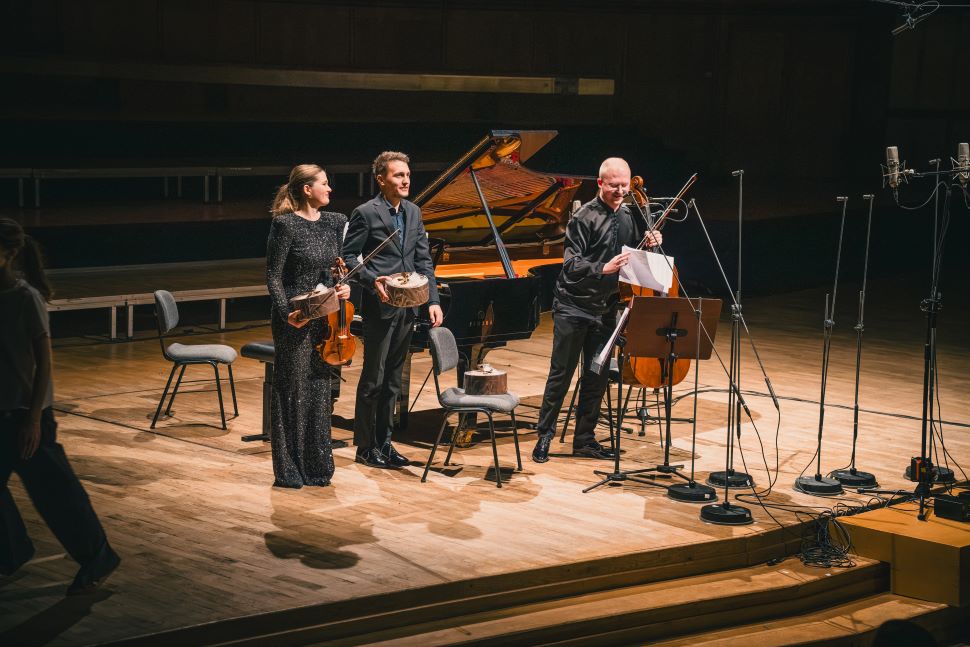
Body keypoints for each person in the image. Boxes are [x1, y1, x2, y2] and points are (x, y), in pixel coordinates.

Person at [0, 218, 121, 595]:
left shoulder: (25, 298)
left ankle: (97, 555)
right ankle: (12, 551)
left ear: (10, 253)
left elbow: (44, 363)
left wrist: (34, 418)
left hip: (26, 414)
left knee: (56, 495)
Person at [531, 158, 663, 463]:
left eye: (624, 186)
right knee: (561, 375)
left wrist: (653, 243)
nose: (620, 191)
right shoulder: (583, 217)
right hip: (573, 306)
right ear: (600, 183)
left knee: (596, 377)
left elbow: (634, 257)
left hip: (606, 309)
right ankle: (545, 436)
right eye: (614, 185)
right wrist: (602, 268)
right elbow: (570, 263)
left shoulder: (629, 215)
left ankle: (585, 440)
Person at [342, 151, 443, 469]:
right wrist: (375, 283)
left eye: (408, 175)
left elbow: (423, 260)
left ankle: (385, 443)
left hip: (409, 307)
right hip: (380, 307)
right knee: (374, 378)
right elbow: (349, 258)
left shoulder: (413, 212)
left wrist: (433, 300)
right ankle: (364, 446)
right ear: (381, 179)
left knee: (394, 380)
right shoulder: (366, 213)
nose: (406, 180)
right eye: (399, 175)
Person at [267, 165, 351, 488]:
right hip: (295, 318)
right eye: (324, 183)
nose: (330, 189)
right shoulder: (285, 225)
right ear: (306, 189)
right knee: (293, 389)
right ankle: (289, 467)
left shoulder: (335, 222)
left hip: (325, 317)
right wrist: (286, 309)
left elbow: (336, 270)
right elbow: (273, 276)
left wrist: (343, 287)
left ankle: (318, 465)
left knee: (318, 388)